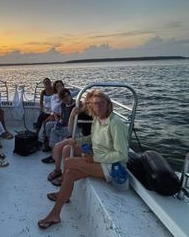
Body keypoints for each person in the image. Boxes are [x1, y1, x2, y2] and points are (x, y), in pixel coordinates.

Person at [38, 90, 129, 229]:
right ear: (91, 107)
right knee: (69, 171)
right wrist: (76, 140)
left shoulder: (116, 124)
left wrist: (94, 158)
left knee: (69, 162)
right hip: (98, 159)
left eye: (101, 103)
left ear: (109, 105)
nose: (98, 107)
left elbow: (122, 155)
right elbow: (92, 138)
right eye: (94, 104)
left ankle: (63, 194)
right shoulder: (97, 120)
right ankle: (56, 212)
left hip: (111, 166)